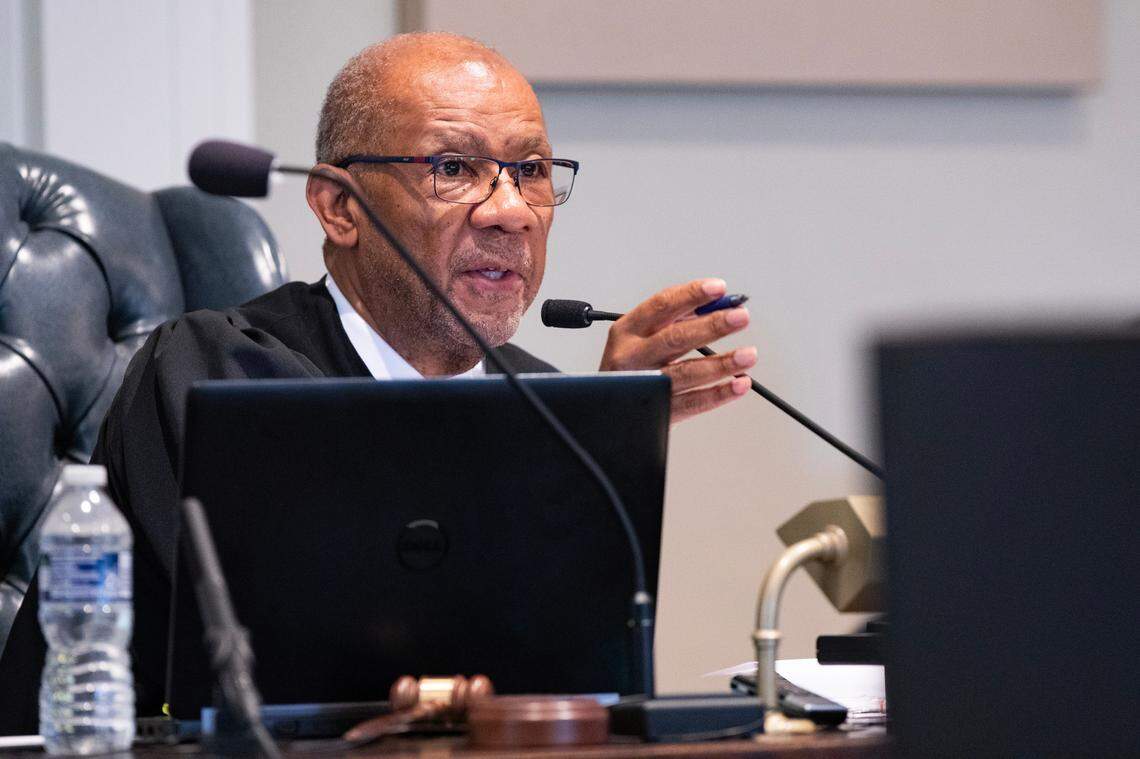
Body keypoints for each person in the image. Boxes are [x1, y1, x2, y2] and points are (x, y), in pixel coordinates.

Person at [85, 32, 757, 714]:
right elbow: (300, 663)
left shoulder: (542, 401)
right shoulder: (214, 371)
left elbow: (574, 683)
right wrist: (564, 458)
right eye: (454, 167)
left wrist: (603, 436)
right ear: (339, 207)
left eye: (530, 170)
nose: (511, 212)